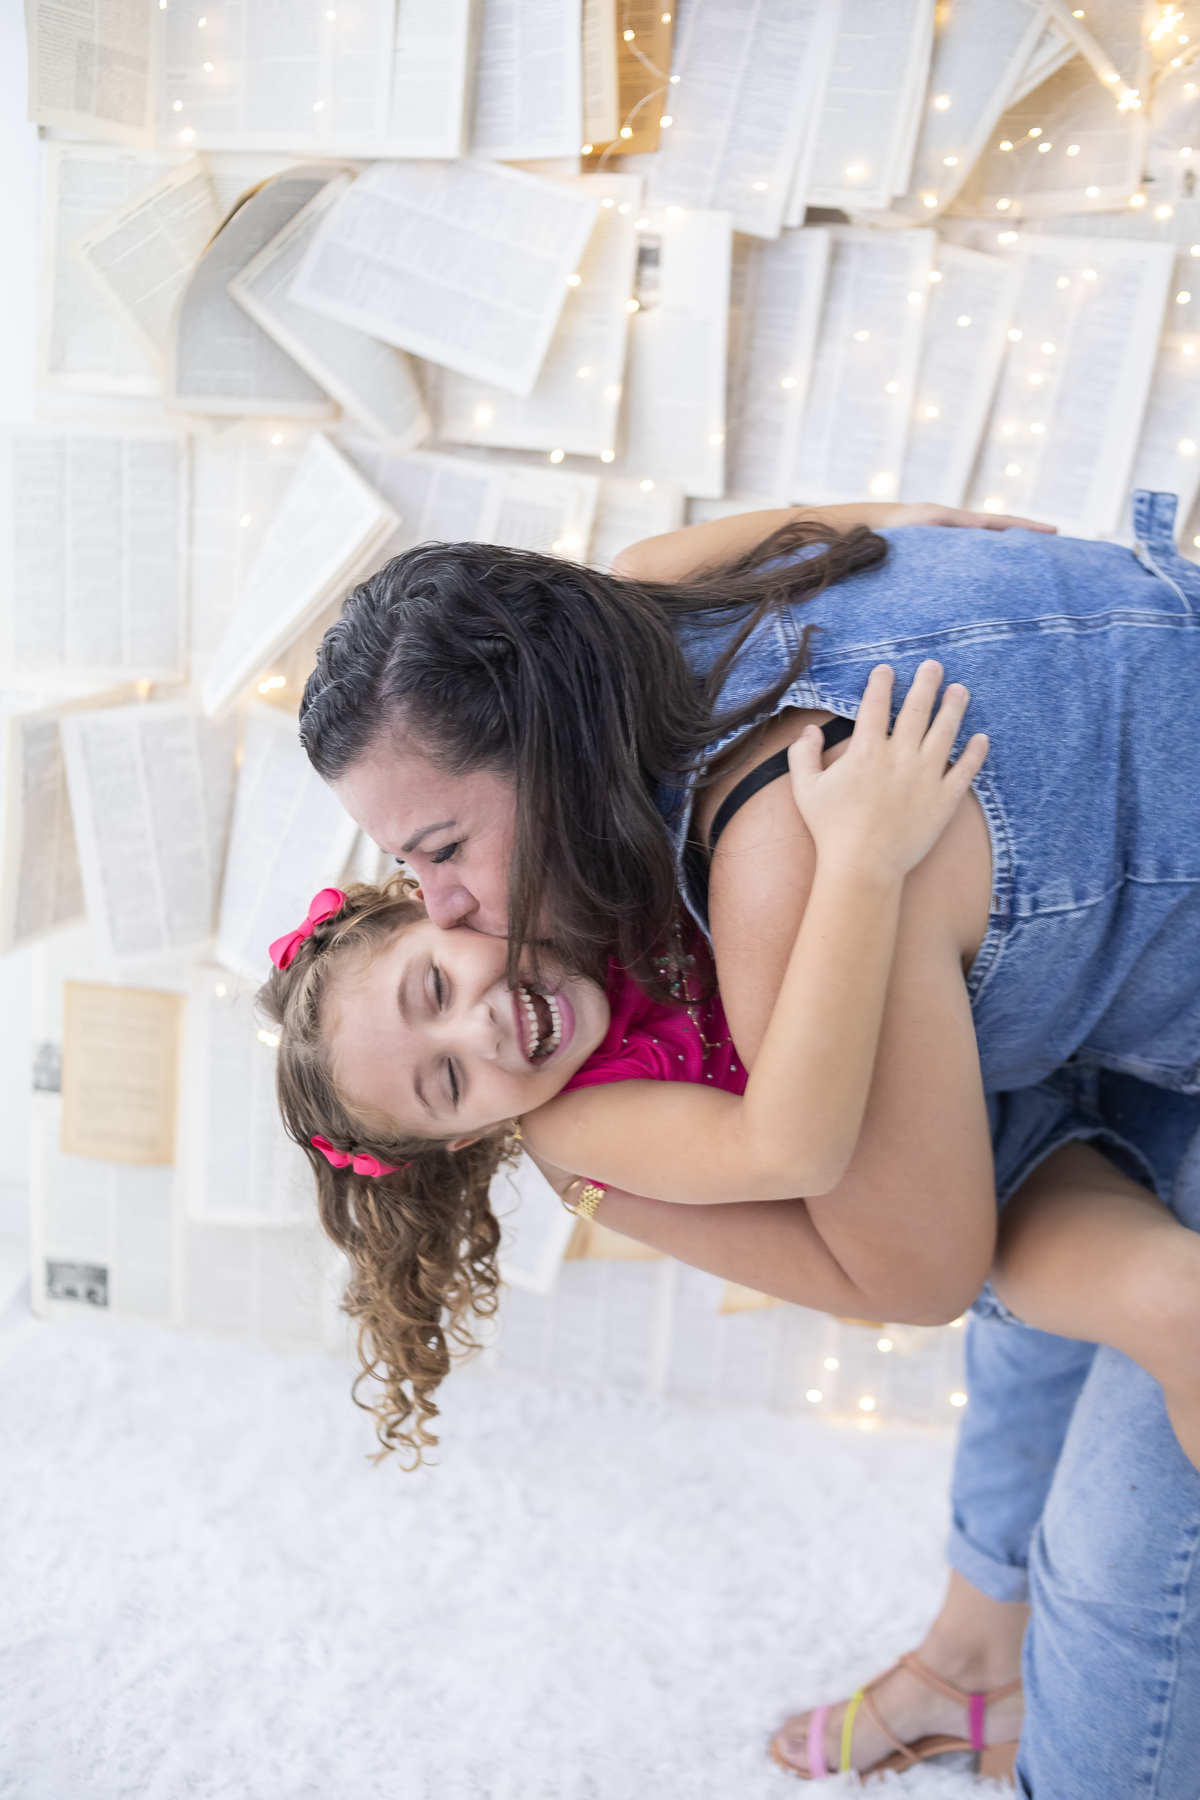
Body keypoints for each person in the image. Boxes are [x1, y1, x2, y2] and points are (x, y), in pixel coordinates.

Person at [298, 489, 1200, 1796]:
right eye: (447, 1084)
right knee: (1017, 1250)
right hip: (1140, 733)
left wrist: (864, 868)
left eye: (442, 851)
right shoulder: (652, 601)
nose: (441, 904)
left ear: (547, 738)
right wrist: (918, 536)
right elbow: (809, 1168)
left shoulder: (787, 853)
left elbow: (906, 1256)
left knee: (1117, 1564)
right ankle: (973, 1656)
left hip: (1114, 1031)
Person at [261, 660, 996, 1462]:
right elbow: (796, 1156)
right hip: (885, 1167)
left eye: (435, 986)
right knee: (989, 1281)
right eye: (450, 1081)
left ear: (430, 910)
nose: (480, 1031)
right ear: (468, 1134)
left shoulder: (554, 883)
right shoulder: (571, 1129)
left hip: (939, 1067)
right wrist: (864, 861)